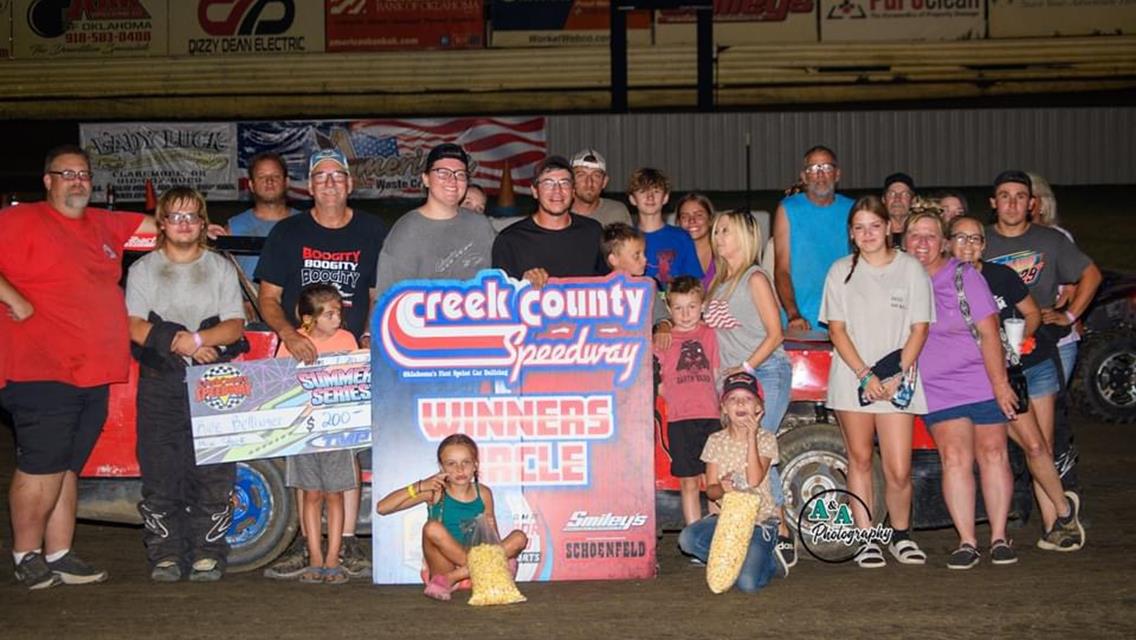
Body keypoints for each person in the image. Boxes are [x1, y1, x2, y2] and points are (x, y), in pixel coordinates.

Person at [0, 144, 156, 589]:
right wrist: (15, 299)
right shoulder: (19, 220)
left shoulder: (104, 223)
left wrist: (196, 224)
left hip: (92, 372)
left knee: (67, 466)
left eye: (83, 173)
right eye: (66, 173)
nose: (77, 181)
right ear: (47, 181)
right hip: (38, 369)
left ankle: (60, 552)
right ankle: (25, 554)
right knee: (42, 465)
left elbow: (160, 227)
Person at [256, 148, 387, 579]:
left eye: (338, 176)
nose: (330, 183)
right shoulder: (288, 233)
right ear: (309, 186)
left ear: (350, 184)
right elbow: (269, 298)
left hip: (350, 360)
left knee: (347, 453)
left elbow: (376, 294)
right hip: (302, 363)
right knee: (302, 454)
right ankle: (305, 547)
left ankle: (345, 545)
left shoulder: (373, 231)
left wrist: (366, 338)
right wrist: (290, 335)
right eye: (320, 177)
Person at [126, 186, 245, 582]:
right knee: (162, 472)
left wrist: (198, 341)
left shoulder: (220, 268)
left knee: (214, 473)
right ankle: (165, 554)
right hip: (160, 382)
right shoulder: (143, 269)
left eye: (191, 216)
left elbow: (234, 324)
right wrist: (178, 339)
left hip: (214, 383)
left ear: (202, 223)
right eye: (175, 216)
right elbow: (133, 324)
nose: (183, 224)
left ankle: (208, 553)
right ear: (162, 223)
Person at [948, 215, 1084, 552]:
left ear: (984, 244)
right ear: (948, 242)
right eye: (961, 238)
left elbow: (1033, 313)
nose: (968, 246)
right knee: (1030, 445)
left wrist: (1024, 337)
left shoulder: (1000, 275)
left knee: (1041, 446)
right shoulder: (943, 282)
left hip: (1030, 367)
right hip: (985, 380)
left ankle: (1057, 524)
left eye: (976, 239)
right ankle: (1064, 512)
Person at [818, 196, 933, 568]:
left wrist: (897, 372)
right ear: (851, 233)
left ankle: (900, 534)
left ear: (888, 227)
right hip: (854, 379)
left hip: (898, 381)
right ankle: (867, 537)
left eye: (874, 226)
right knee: (860, 458)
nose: (867, 234)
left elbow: (920, 327)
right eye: (859, 227)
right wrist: (865, 375)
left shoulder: (911, 269)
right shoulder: (840, 272)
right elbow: (836, 329)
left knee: (898, 467)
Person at [983, 170, 1101, 528]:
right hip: (991, 352)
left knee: (1043, 442)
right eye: (1005, 196)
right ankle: (1019, 511)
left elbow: (1091, 274)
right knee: (1009, 437)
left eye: (1021, 196)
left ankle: (1054, 525)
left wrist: (1069, 313)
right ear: (993, 203)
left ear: (1032, 203)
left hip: (1040, 347)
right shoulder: (980, 241)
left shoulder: (1051, 240)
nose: (1013, 203)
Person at [906, 211, 1018, 569]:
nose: (922, 243)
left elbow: (988, 332)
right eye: (915, 235)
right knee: (954, 457)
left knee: (993, 453)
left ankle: (999, 536)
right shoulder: (901, 281)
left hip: (981, 379)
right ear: (904, 241)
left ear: (943, 242)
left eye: (930, 236)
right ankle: (967, 540)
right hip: (937, 385)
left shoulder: (963, 275)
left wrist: (1000, 385)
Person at [703, 209, 795, 574]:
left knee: (758, 450)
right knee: (744, 454)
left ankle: (781, 533)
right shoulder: (720, 283)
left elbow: (776, 333)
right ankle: (753, 531)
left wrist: (745, 369)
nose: (718, 236)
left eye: (725, 230)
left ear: (743, 236)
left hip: (764, 373)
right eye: (716, 231)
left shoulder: (755, 278)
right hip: (736, 382)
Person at [376, 434, 528, 601]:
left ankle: (455, 577)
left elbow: (493, 538)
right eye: (451, 464)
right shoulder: (435, 491)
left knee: (519, 537)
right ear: (441, 468)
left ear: (475, 465)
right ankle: (489, 569)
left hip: (461, 573)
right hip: (443, 567)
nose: (460, 469)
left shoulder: (483, 493)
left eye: (466, 462)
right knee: (432, 527)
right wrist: (420, 486)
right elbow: (382, 508)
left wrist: (494, 547)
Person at [276, 284, 360, 584]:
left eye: (338, 312)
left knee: (335, 494)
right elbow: (279, 386)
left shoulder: (347, 339)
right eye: (329, 314)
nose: (337, 319)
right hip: (304, 431)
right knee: (311, 494)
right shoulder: (292, 343)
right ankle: (314, 556)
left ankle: (333, 557)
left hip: (337, 429)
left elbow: (357, 381)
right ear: (309, 318)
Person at [677, 372, 781, 593]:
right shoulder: (715, 441)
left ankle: (771, 560)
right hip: (726, 522)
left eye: (748, 398)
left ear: (758, 407)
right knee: (688, 539)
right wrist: (723, 491)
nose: (741, 403)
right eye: (733, 399)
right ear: (724, 408)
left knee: (747, 584)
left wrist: (751, 435)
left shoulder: (766, 439)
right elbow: (711, 490)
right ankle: (735, 560)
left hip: (758, 522)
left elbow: (753, 480)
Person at [375, 143, 497, 300]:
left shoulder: (481, 225)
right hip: (425, 322)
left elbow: (507, 266)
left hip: (477, 321)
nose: (452, 180)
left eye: (460, 174)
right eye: (442, 173)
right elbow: (388, 299)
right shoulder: (407, 232)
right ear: (425, 179)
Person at [655, 276, 721, 526]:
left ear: (702, 305)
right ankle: (696, 534)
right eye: (679, 308)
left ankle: (717, 537)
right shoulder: (663, 340)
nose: (685, 314)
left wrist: (721, 407)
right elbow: (655, 378)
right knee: (688, 481)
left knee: (712, 480)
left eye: (692, 307)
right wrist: (668, 391)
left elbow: (716, 374)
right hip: (680, 419)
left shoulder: (710, 335)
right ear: (669, 309)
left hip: (710, 417)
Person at [492, 155, 606, 287]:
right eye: (548, 183)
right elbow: (501, 297)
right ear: (535, 191)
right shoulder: (509, 240)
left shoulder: (593, 232)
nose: (557, 191)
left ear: (573, 191)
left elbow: (609, 285)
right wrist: (521, 285)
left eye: (564, 183)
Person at [772, 145, 854, 331]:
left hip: (845, 321)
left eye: (826, 168)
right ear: (804, 177)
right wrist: (793, 314)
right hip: (801, 322)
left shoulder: (852, 209)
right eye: (813, 169)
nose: (820, 175)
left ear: (837, 174)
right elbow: (781, 269)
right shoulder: (788, 209)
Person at [224, 152, 300, 277]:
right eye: (261, 177)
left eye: (275, 176)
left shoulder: (307, 224)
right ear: (251, 185)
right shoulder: (233, 228)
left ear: (286, 182)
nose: (269, 181)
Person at [628, 168, 702, 287]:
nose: (650, 197)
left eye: (656, 191)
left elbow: (694, 284)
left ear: (665, 197)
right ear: (632, 199)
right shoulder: (625, 240)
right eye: (643, 191)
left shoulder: (682, 238)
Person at [570, 148, 632, 227]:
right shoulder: (558, 213)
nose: (589, 182)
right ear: (570, 180)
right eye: (581, 175)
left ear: (604, 182)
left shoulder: (617, 213)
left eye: (596, 176)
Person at [675, 192, 717, 289]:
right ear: (678, 222)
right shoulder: (672, 256)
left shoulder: (723, 253)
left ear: (710, 219)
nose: (692, 221)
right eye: (684, 216)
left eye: (699, 215)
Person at [882, 172, 916, 248]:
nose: (897, 199)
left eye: (904, 194)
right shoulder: (876, 233)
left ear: (913, 201)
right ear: (883, 199)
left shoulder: (920, 233)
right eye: (891, 194)